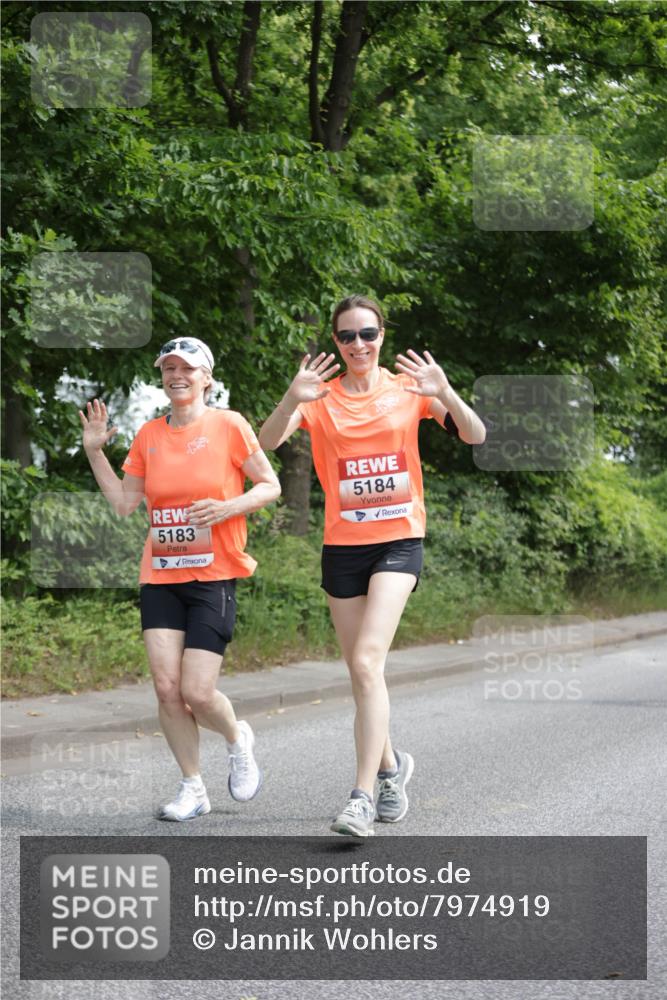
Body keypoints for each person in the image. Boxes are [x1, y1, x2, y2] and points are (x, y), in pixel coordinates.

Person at [259, 295, 486, 837]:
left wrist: (446, 392)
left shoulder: (409, 389)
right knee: (364, 672)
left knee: (365, 661)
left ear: (383, 334)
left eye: (367, 334)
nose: (358, 345)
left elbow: (476, 435)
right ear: (335, 343)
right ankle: (390, 769)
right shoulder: (320, 398)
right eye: (346, 337)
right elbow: (267, 442)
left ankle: (360, 797)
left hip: (398, 541)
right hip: (343, 547)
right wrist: (292, 396)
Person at [79, 336, 281, 821]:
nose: (177, 376)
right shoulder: (150, 435)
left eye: (187, 369)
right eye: (169, 368)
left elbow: (269, 486)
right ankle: (193, 787)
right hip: (162, 575)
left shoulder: (229, 425)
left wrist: (228, 506)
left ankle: (237, 739)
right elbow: (126, 504)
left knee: (197, 691)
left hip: (214, 575)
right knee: (166, 688)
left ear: (206, 377)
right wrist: (94, 452)